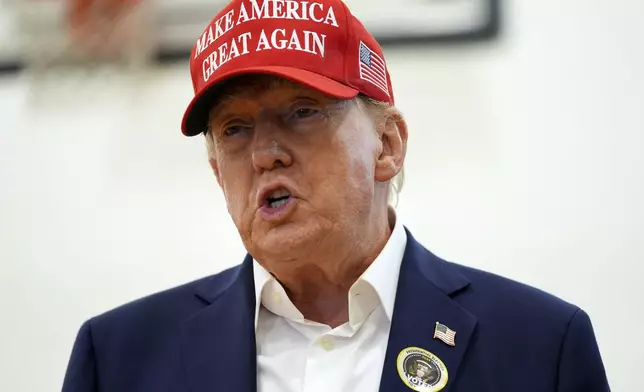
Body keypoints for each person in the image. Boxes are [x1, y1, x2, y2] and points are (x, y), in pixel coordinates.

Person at [61, 0, 611, 391]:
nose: (264, 154)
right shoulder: (117, 359)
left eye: (302, 112)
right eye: (234, 129)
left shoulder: (541, 346)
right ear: (215, 172)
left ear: (387, 145)